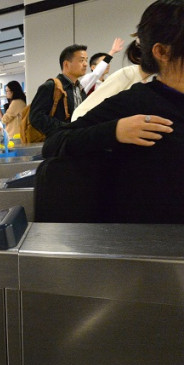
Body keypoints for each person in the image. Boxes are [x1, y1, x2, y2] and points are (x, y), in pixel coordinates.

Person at [41, 0, 184, 224]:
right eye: (82, 60)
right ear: (162, 52)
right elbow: (55, 141)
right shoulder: (135, 98)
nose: (85, 64)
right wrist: (115, 131)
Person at [72, 40, 154, 121]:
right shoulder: (88, 79)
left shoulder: (109, 78)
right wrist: (112, 51)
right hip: (86, 119)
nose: (107, 65)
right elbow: (97, 73)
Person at [29, 44, 89, 137]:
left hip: (79, 140)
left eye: (86, 60)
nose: (85, 64)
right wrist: (66, 128)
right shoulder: (51, 86)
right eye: (81, 60)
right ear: (66, 64)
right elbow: (36, 117)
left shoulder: (80, 88)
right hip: (60, 143)